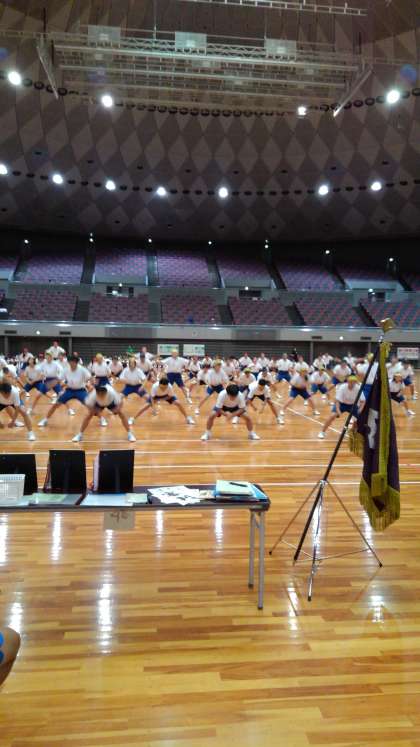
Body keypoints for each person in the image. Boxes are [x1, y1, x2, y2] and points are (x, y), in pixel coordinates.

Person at [38, 355, 92, 426]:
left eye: (72, 362)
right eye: (70, 362)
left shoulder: (82, 370)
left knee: (91, 406)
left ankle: (101, 418)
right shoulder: (66, 369)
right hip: (69, 390)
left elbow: (90, 378)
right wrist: (51, 384)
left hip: (80, 391)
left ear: (76, 363)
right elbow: (59, 379)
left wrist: (90, 385)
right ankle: (45, 420)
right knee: (56, 404)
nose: (71, 364)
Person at [71, 384, 136, 443]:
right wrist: (94, 410)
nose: (101, 396)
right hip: (98, 404)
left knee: (121, 414)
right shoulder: (93, 395)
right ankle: (80, 434)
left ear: (106, 393)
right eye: (99, 395)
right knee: (88, 415)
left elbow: (120, 402)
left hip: (111, 402)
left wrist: (117, 409)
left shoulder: (112, 392)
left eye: (102, 395)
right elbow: (87, 404)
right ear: (97, 393)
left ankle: (130, 434)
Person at [28, 352, 63, 416]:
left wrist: (59, 378)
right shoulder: (43, 364)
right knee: (38, 395)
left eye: (49, 356)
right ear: (46, 357)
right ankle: (30, 409)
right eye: (47, 356)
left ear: (52, 357)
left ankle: (70, 409)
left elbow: (61, 371)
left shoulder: (56, 364)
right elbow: (37, 369)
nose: (48, 357)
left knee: (62, 395)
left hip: (54, 380)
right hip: (47, 381)